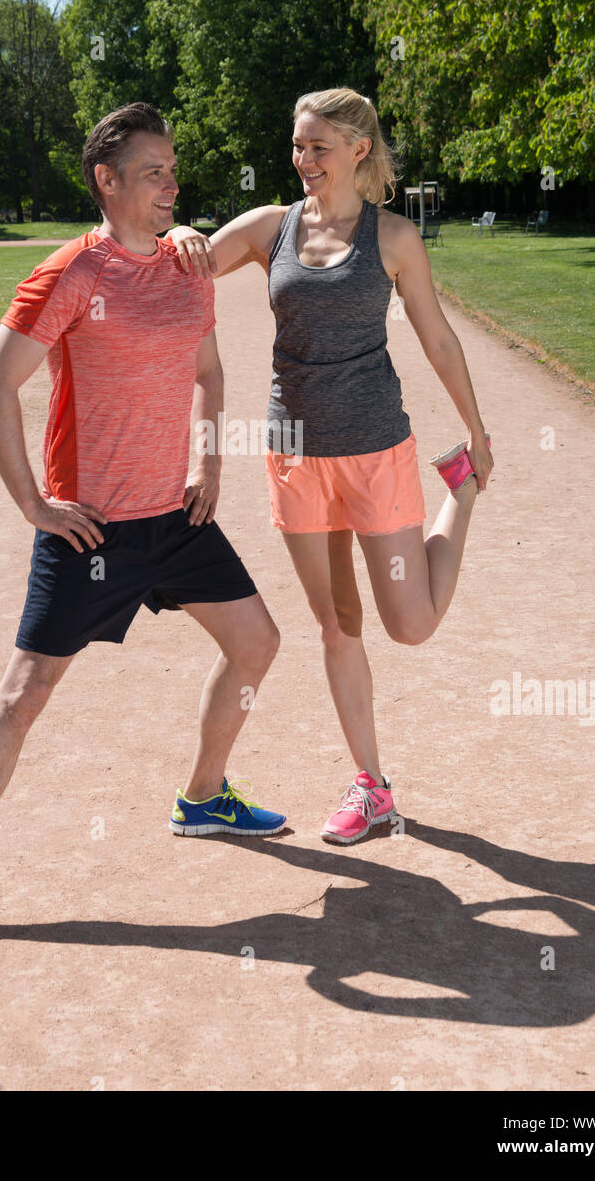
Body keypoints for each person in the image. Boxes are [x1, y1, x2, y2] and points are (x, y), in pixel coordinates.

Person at [0, 102, 285, 956]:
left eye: (173, 170)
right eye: (154, 171)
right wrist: (33, 507)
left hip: (177, 517)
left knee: (258, 643)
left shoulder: (184, 269)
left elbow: (206, 368)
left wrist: (209, 462)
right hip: (91, 533)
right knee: (25, 693)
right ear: (108, 181)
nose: (171, 184)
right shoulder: (69, 276)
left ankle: (202, 798)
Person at [167, 88, 493, 847]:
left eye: (317, 146)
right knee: (337, 625)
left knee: (408, 625)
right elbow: (177, 269)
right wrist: (182, 228)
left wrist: (476, 431)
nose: (302, 159)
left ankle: (462, 494)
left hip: (377, 449)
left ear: (357, 149)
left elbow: (437, 340)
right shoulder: (267, 228)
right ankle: (371, 787)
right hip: (295, 456)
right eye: (296, 146)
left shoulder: (394, 238)